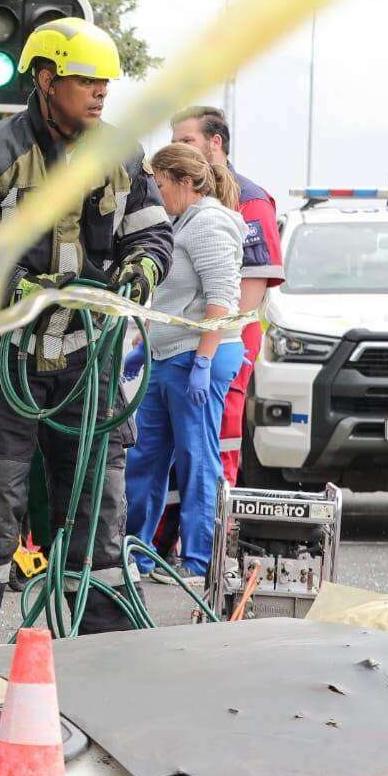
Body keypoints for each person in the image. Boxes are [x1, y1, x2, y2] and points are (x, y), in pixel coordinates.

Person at [0, 18, 174, 644]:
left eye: (105, 83)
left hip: (88, 364)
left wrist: (143, 268)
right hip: (2, 362)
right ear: (46, 79)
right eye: (86, 80)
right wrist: (12, 289)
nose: (100, 93)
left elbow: (151, 232)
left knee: (97, 508)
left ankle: (103, 646)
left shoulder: (119, 155)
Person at [122, 144, 246, 587]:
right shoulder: (178, 222)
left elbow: (222, 300)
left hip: (200, 356)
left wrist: (204, 361)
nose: (154, 191)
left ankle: (198, 561)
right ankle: (137, 552)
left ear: (184, 182)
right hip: (167, 355)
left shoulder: (209, 223)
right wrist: (146, 347)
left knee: (196, 458)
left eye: (159, 182)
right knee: (144, 457)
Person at [169, 106, 284, 482]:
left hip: (224, 339)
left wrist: (212, 348)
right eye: (174, 143)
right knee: (176, 445)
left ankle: (218, 528)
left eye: (187, 141)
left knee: (219, 439)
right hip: (185, 339)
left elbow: (246, 296)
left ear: (215, 142)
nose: (179, 149)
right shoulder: (176, 197)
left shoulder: (249, 201)